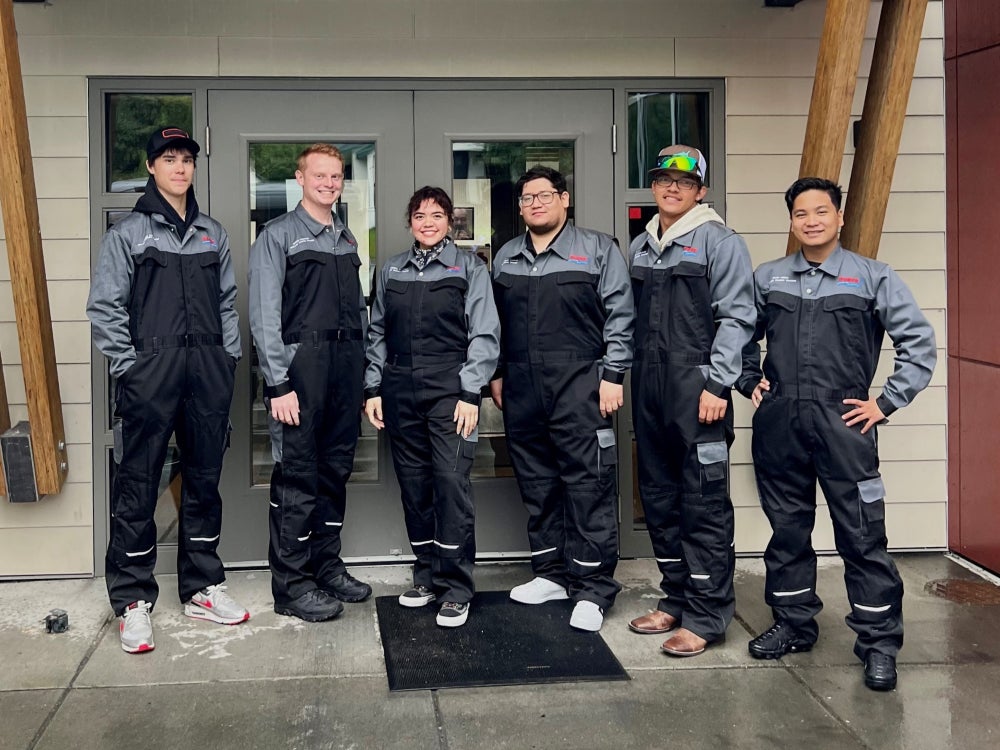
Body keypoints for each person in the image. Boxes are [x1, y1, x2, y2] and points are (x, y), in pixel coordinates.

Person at [738, 177, 936, 691]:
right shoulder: (769, 278)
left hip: (844, 425)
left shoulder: (872, 277)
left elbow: (918, 346)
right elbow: (737, 333)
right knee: (787, 534)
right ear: (791, 221)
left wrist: (886, 402)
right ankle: (792, 624)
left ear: (840, 217)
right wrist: (747, 377)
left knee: (863, 536)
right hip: (781, 423)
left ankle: (878, 643)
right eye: (800, 213)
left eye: (821, 211)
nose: (811, 221)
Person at [87, 126, 249, 654]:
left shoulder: (213, 234)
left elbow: (227, 304)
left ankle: (202, 585)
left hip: (206, 372)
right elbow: (105, 309)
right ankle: (133, 601)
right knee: (138, 485)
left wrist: (227, 359)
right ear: (152, 167)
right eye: (169, 158)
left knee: (202, 481)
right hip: (150, 375)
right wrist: (130, 369)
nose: (179, 168)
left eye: (186, 159)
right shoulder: (129, 234)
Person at [489, 165, 634, 632]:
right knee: (537, 484)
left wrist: (613, 375)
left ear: (564, 199)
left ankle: (593, 588)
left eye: (544, 195)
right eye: (527, 198)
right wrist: (494, 373)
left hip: (582, 384)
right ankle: (551, 573)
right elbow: (492, 324)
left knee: (588, 485)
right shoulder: (506, 257)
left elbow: (620, 315)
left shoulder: (597, 250)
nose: (535, 204)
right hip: (523, 388)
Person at [624, 146, 756, 657]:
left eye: (683, 182)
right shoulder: (642, 246)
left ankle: (708, 614)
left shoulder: (719, 243)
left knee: (702, 502)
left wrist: (719, 384)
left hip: (698, 388)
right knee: (658, 496)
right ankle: (676, 598)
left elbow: (737, 318)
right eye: (662, 180)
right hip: (649, 387)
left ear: (701, 190)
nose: (671, 188)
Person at [363, 187, 500, 628]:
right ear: (410, 222)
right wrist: (374, 387)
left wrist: (470, 393)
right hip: (400, 389)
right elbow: (377, 332)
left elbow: (484, 334)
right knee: (416, 486)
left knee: (450, 485)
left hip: (450, 391)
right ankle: (426, 576)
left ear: (450, 222)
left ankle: (457, 587)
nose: (427, 222)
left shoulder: (469, 269)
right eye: (419, 215)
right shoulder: (392, 270)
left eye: (436, 215)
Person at [248, 143, 372, 623]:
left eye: (336, 176)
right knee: (297, 477)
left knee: (334, 471)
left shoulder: (346, 239)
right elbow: (263, 316)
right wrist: (278, 384)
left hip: (344, 371)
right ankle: (292, 584)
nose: (328, 183)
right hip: (300, 374)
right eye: (319, 175)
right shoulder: (277, 238)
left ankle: (326, 566)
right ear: (299, 179)